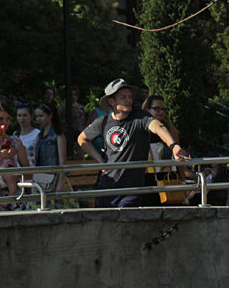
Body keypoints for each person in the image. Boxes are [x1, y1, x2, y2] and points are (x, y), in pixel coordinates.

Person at [77, 79, 189, 208]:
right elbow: (82, 139)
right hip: (108, 184)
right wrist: (100, 160)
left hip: (132, 187)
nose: (128, 100)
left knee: (126, 220)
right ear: (111, 101)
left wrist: (174, 146)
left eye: (130, 96)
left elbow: (158, 127)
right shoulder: (103, 121)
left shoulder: (140, 117)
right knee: (106, 223)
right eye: (123, 97)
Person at [32, 102, 76, 208]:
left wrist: (61, 180)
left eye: (41, 116)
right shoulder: (39, 135)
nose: (38, 119)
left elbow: (62, 160)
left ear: (50, 115)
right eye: (36, 116)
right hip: (41, 177)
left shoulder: (58, 135)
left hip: (55, 178)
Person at [12, 102, 41, 167]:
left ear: (31, 117)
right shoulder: (15, 134)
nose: (22, 118)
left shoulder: (37, 133)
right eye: (19, 115)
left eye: (25, 115)